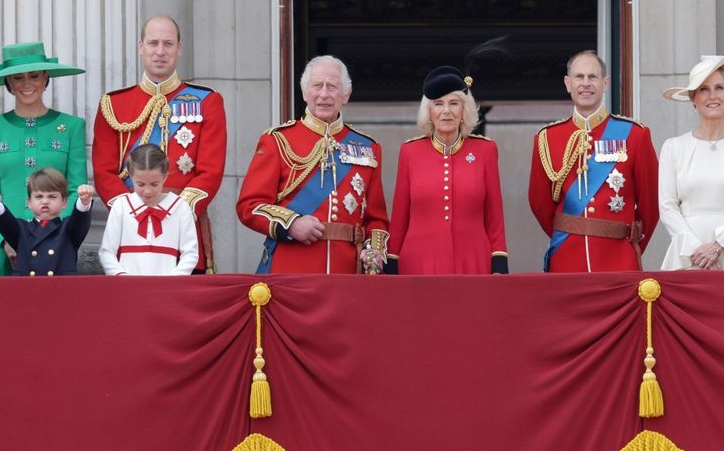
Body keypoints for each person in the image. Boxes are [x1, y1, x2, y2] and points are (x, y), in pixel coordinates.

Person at [92, 15, 226, 273]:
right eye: (153, 43)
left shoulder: (207, 101)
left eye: (168, 43)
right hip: (129, 230)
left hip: (183, 228)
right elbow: (103, 171)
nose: (160, 52)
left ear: (179, 49)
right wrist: (131, 212)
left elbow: (210, 172)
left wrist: (175, 212)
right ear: (141, 47)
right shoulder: (113, 104)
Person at [236, 55, 388, 274]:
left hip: (346, 272)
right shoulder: (278, 140)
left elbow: (377, 219)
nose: (324, 94)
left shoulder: (368, 148)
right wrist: (291, 224)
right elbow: (249, 206)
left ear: (346, 95)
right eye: (317, 86)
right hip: (291, 269)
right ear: (305, 92)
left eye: (332, 87)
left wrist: (374, 250)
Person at [528, 51, 658, 272]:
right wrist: (569, 231)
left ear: (605, 83)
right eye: (579, 77)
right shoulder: (547, 137)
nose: (585, 84)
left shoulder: (635, 134)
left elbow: (650, 205)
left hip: (618, 259)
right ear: (568, 83)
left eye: (593, 77)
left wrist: (629, 244)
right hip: (567, 258)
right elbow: (539, 202)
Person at [0, 41, 87, 276]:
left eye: (34, 76)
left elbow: (76, 189)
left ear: (46, 78)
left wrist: (58, 234)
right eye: (17, 78)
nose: (26, 84)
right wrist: (4, 239)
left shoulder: (73, 127)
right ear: (8, 84)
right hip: (8, 246)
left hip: (58, 247)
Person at [385, 66, 507, 274]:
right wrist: (392, 261)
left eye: (454, 103)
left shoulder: (485, 150)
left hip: (473, 261)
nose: (446, 111)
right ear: (429, 112)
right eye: (438, 104)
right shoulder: (410, 152)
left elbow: (494, 216)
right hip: (418, 263)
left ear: (464, 110)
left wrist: (499, 261)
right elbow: (399, 217)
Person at [659, 36, 724, 270]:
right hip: (688, 254)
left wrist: (718, 246)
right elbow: (667, 208)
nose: (712, 96)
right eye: (703, 90)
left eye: (719, 88)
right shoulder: (674, 147)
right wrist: (697, 249)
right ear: (693, 99)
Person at [98, 144, 199, 276]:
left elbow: (190, 253)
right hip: (126, 287)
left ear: (165, 176)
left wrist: (174, 280)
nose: (147, 191)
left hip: (167, 288)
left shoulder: (180, 207)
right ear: (130, 176)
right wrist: (121, 276)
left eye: (154, 184)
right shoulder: (121, 206)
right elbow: (106, 251)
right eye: (140, 184)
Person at [0, 168, 94, 276]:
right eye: (39, 196)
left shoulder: (68, 229)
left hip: (61, 290)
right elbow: (5, 220)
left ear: (64, 202)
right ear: (29, 202)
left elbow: (80, 218)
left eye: (52, 196)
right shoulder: (21, 229)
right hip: (27, 291)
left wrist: (84, 201)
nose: (45, 201)